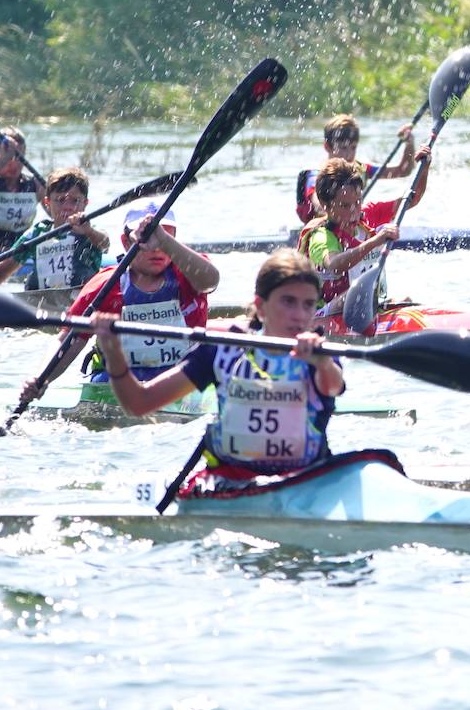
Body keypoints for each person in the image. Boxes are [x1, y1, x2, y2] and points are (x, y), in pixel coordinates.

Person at [92, 249, 345, 479]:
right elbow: (139, 403)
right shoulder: (222, 349)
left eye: (308, 304)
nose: (300, 315)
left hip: (308, 482)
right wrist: (113, 352)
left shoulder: (320, 354)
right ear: (261, 306)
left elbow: (332, 386)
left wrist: (322, 362)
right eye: (288, 301)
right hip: (231, 484)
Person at [18, 201, 220, 402]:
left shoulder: (190, 273)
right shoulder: (105, 285)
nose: (157, 248)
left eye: (165, 236)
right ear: (125, 242)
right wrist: (41, 378)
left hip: (179, 378)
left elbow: (211, 281)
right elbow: (68, 341)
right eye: (150, 237)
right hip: (116, 383)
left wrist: (164, 240)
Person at [298, 146, 430, 315]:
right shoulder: (321, 236)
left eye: (358, 202)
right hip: (325, 315)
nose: (354, 212)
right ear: (326, 206)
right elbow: (335, 265)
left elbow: (412, 199)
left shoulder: (368, 215)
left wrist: (424, 168)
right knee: (354, 293)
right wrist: (375, 241)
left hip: (365, 306)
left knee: (406, 300)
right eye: (345, 206)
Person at [0, 167, 109, 289]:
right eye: (60, 200)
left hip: (81, 303)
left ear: (85, 203)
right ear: (47, 203)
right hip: (43, 304)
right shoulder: (37, 234)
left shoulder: (89, 230)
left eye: (75, 201)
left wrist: (88, 231)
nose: (68, 207)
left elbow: (105, 243)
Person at [294, 113, 416, 223]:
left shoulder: (361, 169)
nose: (348, 155)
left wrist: (409, 143)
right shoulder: (315, 175)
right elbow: (319, 206)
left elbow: (403, 170)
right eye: (342, 148)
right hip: (320, 233)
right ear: (327, 147)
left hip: (351, 227)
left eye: (353, 148)